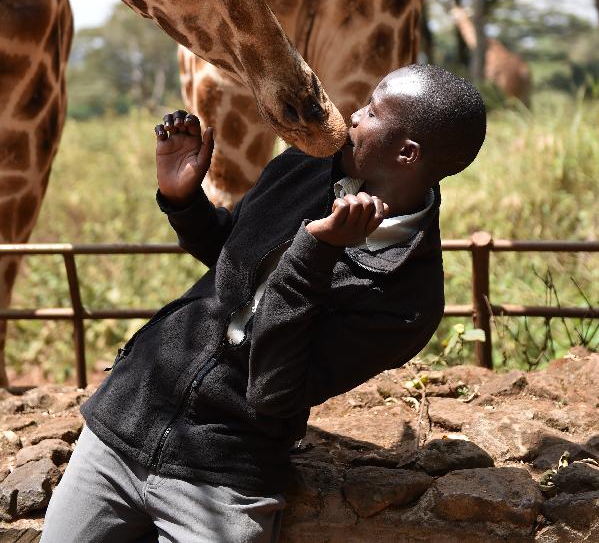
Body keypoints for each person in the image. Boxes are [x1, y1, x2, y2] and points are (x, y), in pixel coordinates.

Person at [41, 64, 486, 543]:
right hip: (124, 420)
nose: (352, 116)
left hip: (222, 478)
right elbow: (232, 256)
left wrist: (316, 254)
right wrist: (184, 199)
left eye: (372, 112)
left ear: (407, 152)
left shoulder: (408, 301)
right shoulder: (304, 167)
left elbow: (274, 391)